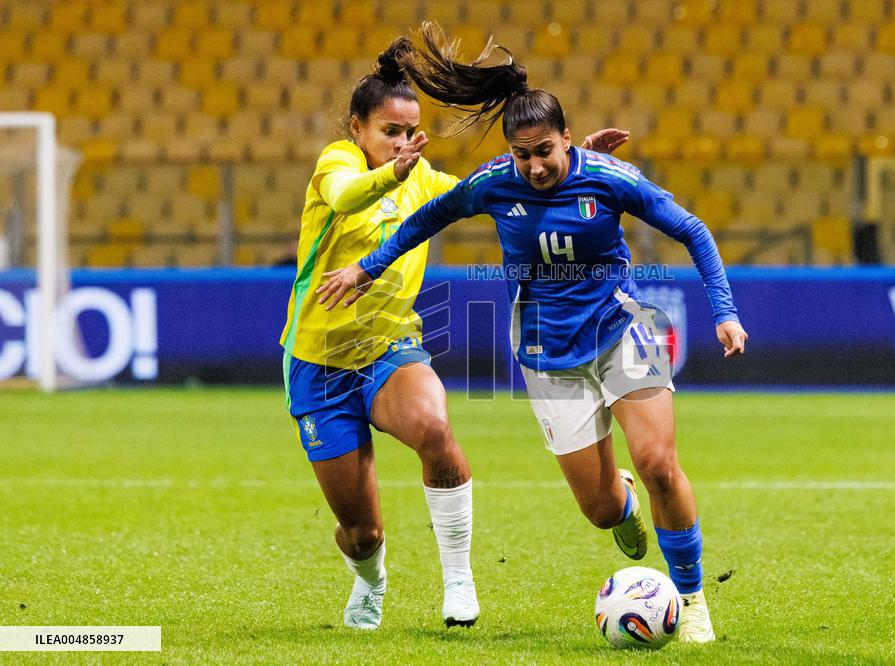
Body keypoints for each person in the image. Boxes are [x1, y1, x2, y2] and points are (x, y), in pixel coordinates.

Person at [316, 24, 748, 644]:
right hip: (549, 356)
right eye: (523, 154)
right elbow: (425, 220)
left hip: (622, 330)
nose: (535, 166)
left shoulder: (609, 178)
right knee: (602, 511)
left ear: (567, 139)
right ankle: (622, 503)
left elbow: (696, 232)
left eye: (546, 151)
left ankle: (691, 598)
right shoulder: (495, 184)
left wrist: (725, 312)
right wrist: (365, 267)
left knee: (658, 462)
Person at [279, 38, 630, 631]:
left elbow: (501, 190)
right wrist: (394, 171)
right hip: (317, 365)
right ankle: (371, 579)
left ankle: (459, 581)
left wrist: (575, 172)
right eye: (391, 131)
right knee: (361, 532)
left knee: (436, 430)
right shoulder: (336, 164)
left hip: (390, 350)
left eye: (412, 133)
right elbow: (346, 194)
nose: (404, 144)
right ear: (358, 127)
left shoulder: (423, 180)